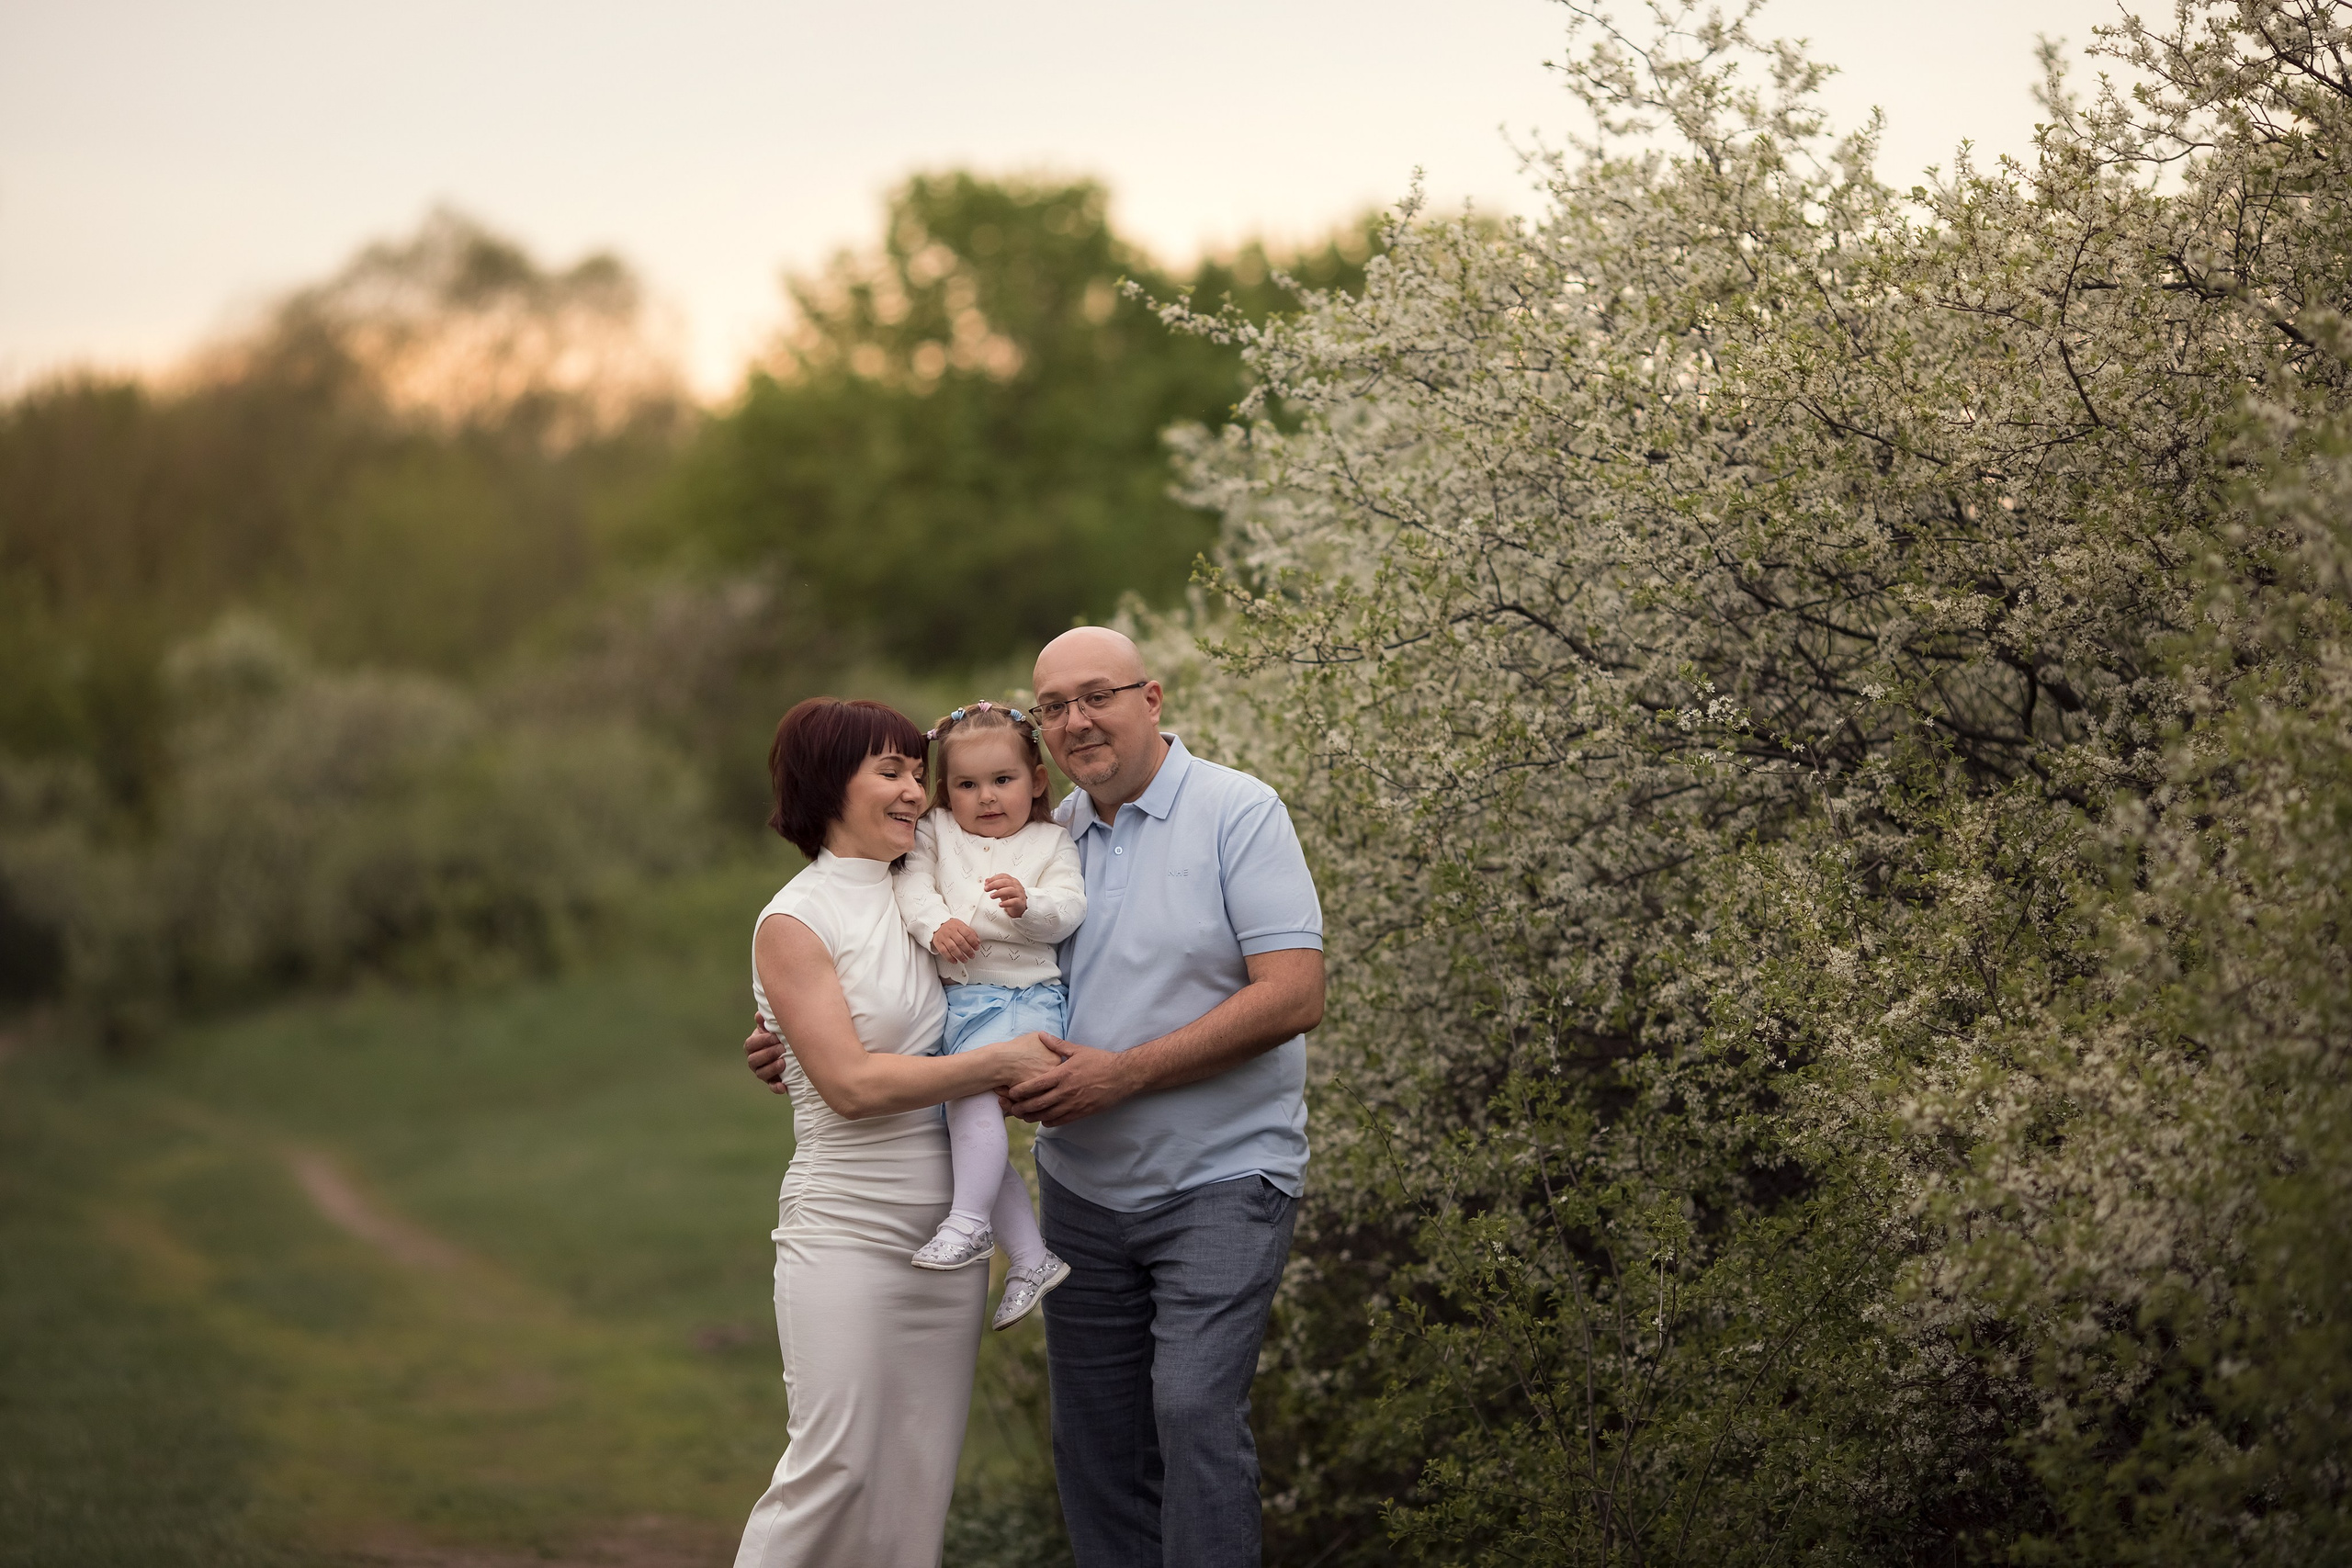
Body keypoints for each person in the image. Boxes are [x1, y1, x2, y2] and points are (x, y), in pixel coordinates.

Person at [744, 629, 1327, 1568]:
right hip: (1082, 1194)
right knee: (1093, 1453)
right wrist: (791, 1042)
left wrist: (1121, 1072)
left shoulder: (1236, 811)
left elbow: (1296, 993)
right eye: (1054, 705)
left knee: (1187, 1410)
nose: (1075, 720)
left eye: (1096, 695)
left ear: (1152, 698)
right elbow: (895, 981)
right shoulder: (1043, 833)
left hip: (1219, 1173)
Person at [734, 697, 1059, 1568]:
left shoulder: (932, 888)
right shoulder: (796, 918)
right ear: (826, 786)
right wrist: (999, 1065)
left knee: (916, 1488)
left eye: (918, 772)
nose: (917, 790)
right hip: (845, 1218)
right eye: (892, 771)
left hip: (949, 1230)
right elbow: (848, 1083)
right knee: (832, 1466)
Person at [894, 699, 1083, 1329]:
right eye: (967, 785)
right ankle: (1031, 1258)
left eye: (1003, 780)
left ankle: (968, 1223)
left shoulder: (1052, 841)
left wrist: (1029, 906)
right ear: (945, 791)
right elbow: (912, 886)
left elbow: (1069, 909)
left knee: (970, 1102)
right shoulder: (935, 833)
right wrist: (935, 924)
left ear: (1034, 779)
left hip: (1026, 1000)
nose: (987, 797)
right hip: (962, 1003)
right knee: (963, 1120)